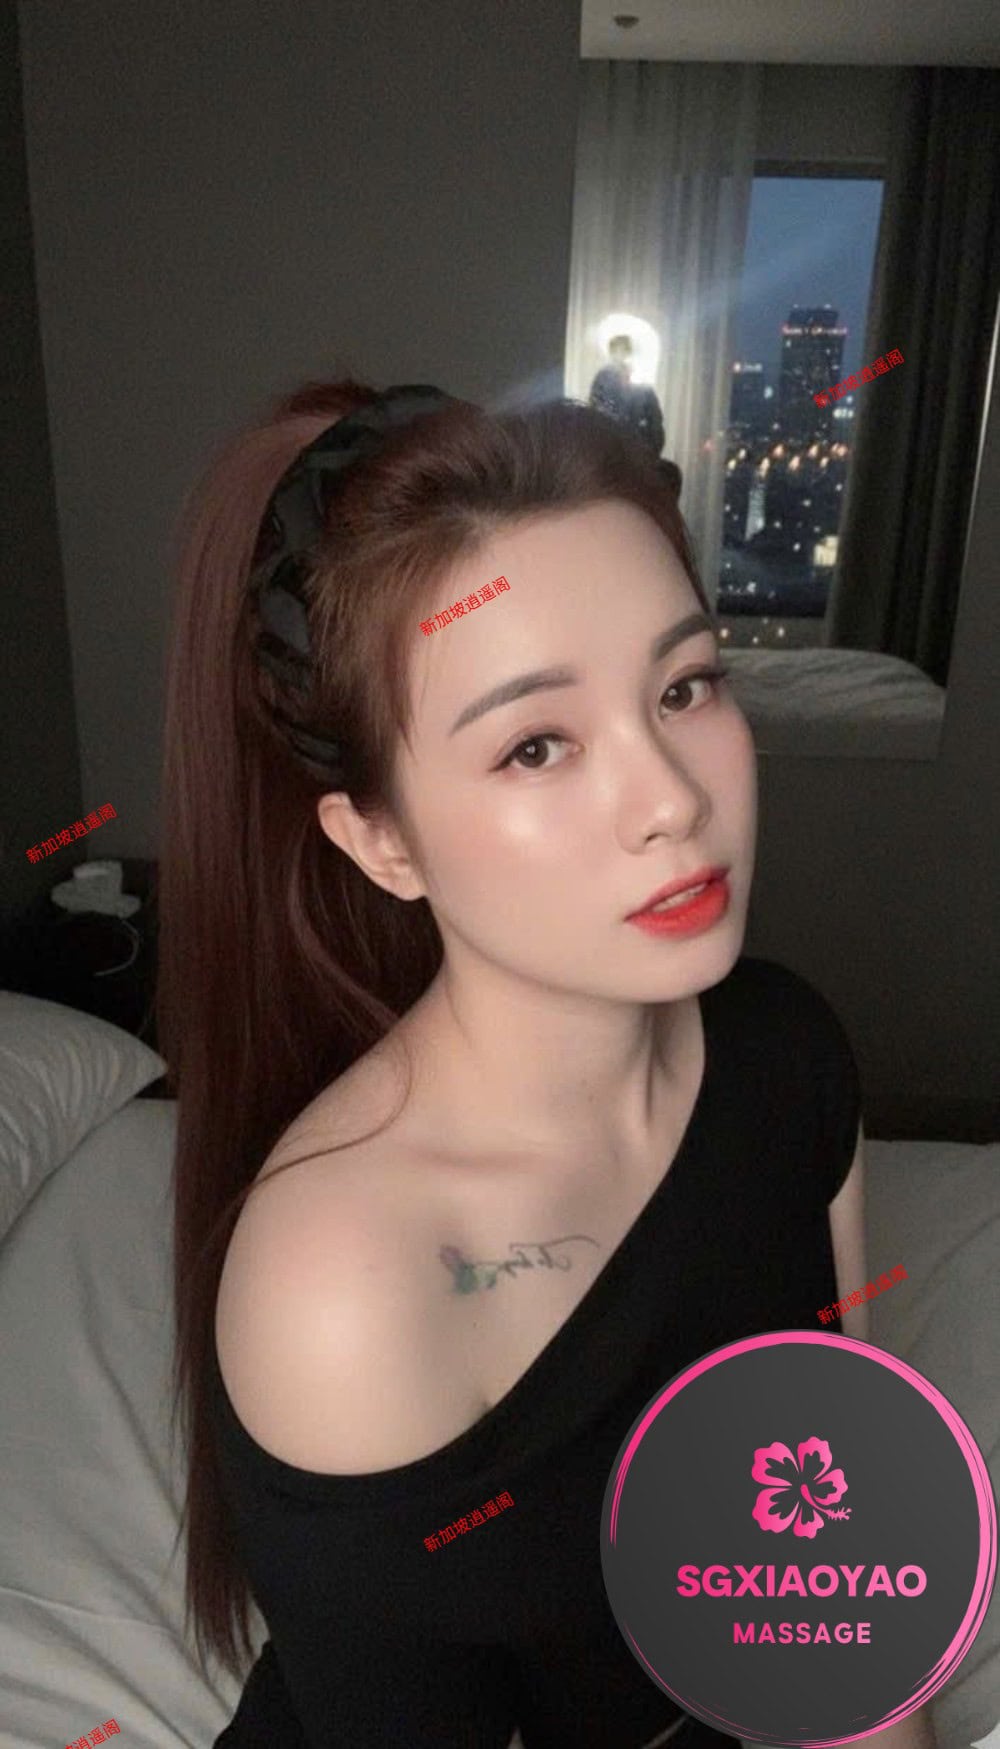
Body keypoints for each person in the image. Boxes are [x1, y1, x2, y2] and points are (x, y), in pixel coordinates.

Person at [160, 380, 935, 1749]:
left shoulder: (787, 1055)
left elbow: (837, 1578)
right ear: (379, 842)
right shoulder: (343, 1286)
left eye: (685, 687)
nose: (674, 801)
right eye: (535, 744)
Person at [589, 332, 666, 459]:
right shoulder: (603, 379)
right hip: (609, 449)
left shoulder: (641, 380)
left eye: (625, 351)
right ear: (611, 354)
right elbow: (596, 412)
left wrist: (651, 452)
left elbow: (655, 420)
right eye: (617, 352)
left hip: (638, 450)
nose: (621, 356)